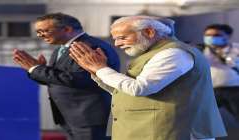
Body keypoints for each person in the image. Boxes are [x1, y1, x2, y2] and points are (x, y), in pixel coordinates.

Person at [69, 16, 227, 140]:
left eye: (122, 37)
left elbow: (139, 88)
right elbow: (123, 91)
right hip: (151, 130)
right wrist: (97, 72)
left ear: (149, 32)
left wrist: (101, 69)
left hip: (175, 132)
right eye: (115, 39)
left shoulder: (173, 53)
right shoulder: (155, 53)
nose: (117, 44)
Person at [12, 13, 120, 140]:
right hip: (69, 116)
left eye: (44, 30)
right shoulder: (60, 49)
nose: (39, 35)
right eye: (38, 31)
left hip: (88, 118)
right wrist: (37, 70)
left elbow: (81, 79)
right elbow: (57, 80)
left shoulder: (89, 47)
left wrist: (36, 69)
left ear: (67, 29)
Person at [203, 24, 239, 88]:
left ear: (228, 36)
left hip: (235, 88)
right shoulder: (200, 50)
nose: (211, 38)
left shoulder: (237, 48)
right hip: (212, 90)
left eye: (217, 35)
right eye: (208, 35)